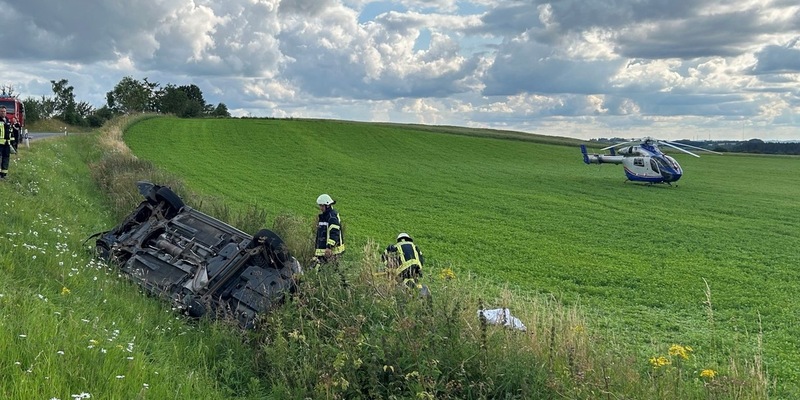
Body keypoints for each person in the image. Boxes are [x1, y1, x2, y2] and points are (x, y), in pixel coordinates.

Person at [313, 193, 345, 265]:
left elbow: (334, 233)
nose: (320, 208)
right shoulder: (324, 216)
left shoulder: (332, 217)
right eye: (320, 205)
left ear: (327, 205)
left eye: (322, 206)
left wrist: (329, 247)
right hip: (325, 252)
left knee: (332, 271)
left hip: (331, 252)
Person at [0, 106, 14, 179]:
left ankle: (4, 174)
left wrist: (12, 142)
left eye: (4, 111)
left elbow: (10, 132)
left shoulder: (8, 120)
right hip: (0, 143)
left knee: (6, 158)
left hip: (7, 143)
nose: (3, 112)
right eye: (1, 111)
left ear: (6, 112)